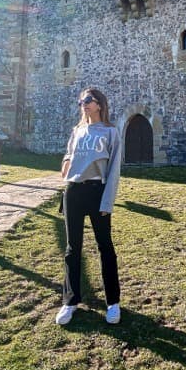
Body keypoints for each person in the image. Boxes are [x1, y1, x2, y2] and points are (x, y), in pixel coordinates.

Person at [55, 87, 122, 325]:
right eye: (81, 100)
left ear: (99, 104)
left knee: (105, 246)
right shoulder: (77, 130)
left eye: (88, 100)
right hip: (73, 190)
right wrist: (65, 164)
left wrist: (107, 201)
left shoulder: (111, 132)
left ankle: (113, 302)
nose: (83, 104)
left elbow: (114, 169)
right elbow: (68, 153)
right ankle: (70, 301)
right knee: (73, 248)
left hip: (97, 190)